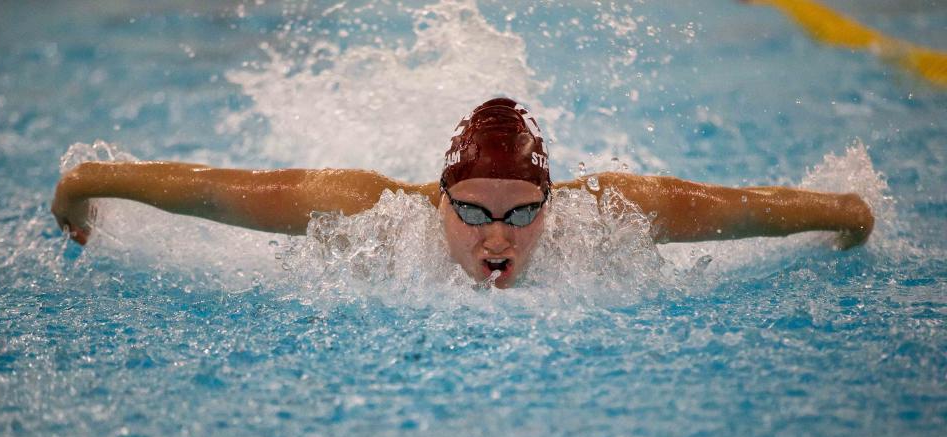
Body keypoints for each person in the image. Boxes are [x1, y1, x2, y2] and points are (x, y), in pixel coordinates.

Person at [52, 97, 874, 288]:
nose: (498, 240)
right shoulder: (364, 209)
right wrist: (87, 185)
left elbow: (747, 209)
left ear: (554, 203)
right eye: (474, 213)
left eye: (523, 214)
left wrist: (843, 216)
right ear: (437, 199)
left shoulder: (617, 212)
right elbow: (212, 192)